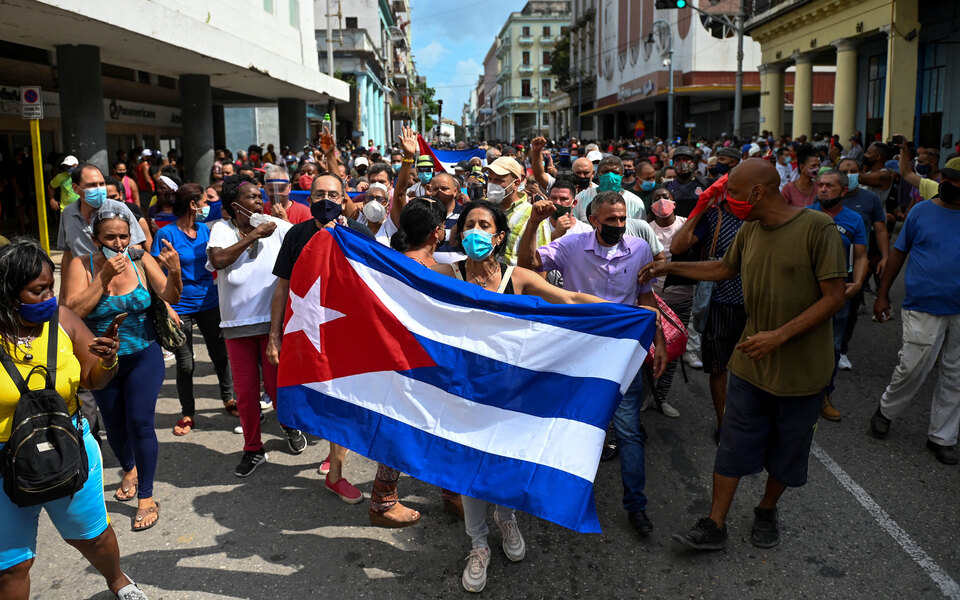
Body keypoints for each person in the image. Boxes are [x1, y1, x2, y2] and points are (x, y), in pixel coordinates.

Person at [432, 199, 642, 593]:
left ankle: (506, 518)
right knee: (471, 466)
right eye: (469, 225)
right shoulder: (447, 273)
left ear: (497, 236)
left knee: (509, 459)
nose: (475, 232)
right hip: (466, 386)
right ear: (460, 234)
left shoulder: (518, 276)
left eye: (484, 225)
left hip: (514, 388)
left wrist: (628, 315)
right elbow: (397, 274)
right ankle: (478, 544)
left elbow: (572, 300)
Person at [641, 159, 846, 551]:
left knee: (787, 450)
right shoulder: (750, 230)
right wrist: (669, 266)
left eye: (732, 193)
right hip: (751, 364)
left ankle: (767, 509)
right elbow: (722, 268)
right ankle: (715, 524)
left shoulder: (817, 228)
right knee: (733, 443)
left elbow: (834, 297)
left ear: (755, 193)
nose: (728, 200)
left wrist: (779, 336)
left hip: (802, 371)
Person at [0, 239, 152, 600]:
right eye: (38, 291)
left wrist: (108, 359)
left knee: (94, 537)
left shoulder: (64, 320)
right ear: (7, 293)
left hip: (69, 449)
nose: (49, 297)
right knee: (11, 565)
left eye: (50, 287)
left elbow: (93, 377)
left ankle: (117, 580)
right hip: (5, 462)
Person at [518, 191, 667, 539]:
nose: (617, 225)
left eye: (621, 219)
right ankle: (553, 494)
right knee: (565, 425)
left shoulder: (640, 249)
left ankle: (636, 506)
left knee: (628, 431)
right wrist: (535, 223)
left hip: (623, 353)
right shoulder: (572, 245)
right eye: (610, 219)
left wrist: (657, 340)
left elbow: (646, 299)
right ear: (594, 219)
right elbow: (529, 265)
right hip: (578, 352)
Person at [62, 211, 182, 532]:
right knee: (114, 425)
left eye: (123, 237)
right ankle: (129, 468)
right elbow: (71, 312)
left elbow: (169, 294)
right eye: (111, 238)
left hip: (144, 355)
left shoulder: (141, 260)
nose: (119, 244)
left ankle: (146, 496)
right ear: (95, 239)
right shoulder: (80, 264)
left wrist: (176, 273)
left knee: (141, 423)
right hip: (102, 360)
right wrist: (102, 279)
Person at [268, 172, 374, 504]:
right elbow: (282, 286)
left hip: (347, 333)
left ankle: (335, 472)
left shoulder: (358, 234)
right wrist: (274, 337)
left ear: (344, 198)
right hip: (306, 331)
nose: (325, 200)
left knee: (341, 399)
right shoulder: (296, 235)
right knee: (313, 395)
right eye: (318, 194)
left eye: (333, 194)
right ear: (308, 198)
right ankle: (330, 446)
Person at [206, 175, 306, 476]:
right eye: (251, 197)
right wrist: (253, 235)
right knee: (246, 392)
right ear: (235, 206)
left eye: (259, 195)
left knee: (277, 388)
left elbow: (309, 236)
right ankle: (253, 449)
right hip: (236, 325)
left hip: (272, 324)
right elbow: (219, 260)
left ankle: (289, 426)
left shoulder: (276, 228)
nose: (259, 201)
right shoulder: (222, 230)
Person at [871, 159, 960, 466]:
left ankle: (942, 437)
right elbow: (898, 254)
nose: (953, 185)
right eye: (949, 178)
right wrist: (882, 294)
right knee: (913, 366)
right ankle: (887, 410)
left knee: (956, 375)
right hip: (924, 304)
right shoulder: (921, 212)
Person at [152, 184, 235, 435]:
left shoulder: (206, 230)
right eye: (204, 200)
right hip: (180, 307)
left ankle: (229, 398)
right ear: (192, 204)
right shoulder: (166, 235)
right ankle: (187, 412)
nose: (208, 205)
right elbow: (156, 274)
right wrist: (167, 306)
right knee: (185, 364)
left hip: (210, 302)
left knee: (220, 355)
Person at [670, 173, 746, 443]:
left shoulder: (762, 217)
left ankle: (753, 421)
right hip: (721, 303)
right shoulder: (715, 216)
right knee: (719, 367)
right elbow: (678, 246)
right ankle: (724, 423)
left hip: (757, 303)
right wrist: (701, 206)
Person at [809, 170, 868, 422]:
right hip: (805, 292)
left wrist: (857, 283)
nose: (822, 189)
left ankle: (823, 395)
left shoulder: (854, 219)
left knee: (831, 346)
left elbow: (862, 255)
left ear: (843, 190)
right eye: (820, 185)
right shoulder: (805, 214)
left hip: (837, 293)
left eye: (829, 186)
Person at [836, 157, 889, 369]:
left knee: (849, 310)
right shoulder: (827, 197)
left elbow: (882, 229)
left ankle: (841, 351)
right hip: (827, 264)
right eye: (845, 170)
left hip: (857, 265)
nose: (849, 174)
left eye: (854, 170)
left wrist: (885, 256)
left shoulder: (870, 199)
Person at [647, 192, 688, 418]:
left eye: (666, 196)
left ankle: (661, 397)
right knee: (650, 351)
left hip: (682, 296)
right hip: (654, 298)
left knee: (673, 351)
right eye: (656, 197)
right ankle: (647, 392)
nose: (661, 201)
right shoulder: (648, 229)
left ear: (674, 201)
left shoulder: (686, 225)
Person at [482, 157, 531, 266]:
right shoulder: (481, 208)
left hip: (515, 280)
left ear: (516, 183)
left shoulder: (532, 214)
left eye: (499, 180)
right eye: (490, 179)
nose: (492, 184)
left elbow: (540, 262)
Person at [572, 155, 646, 222]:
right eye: (605, 172)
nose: (610, 176)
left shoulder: (635, 202)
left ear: (622, 176)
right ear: (597, 175)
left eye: (615, 172)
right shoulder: (582, 198)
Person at [665, 146, 711, 217]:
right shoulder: (666, 187)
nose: (682, 163)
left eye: (686, 159)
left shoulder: (706, 184)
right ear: (673, 164)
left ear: (694, 163)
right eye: (678, 160)